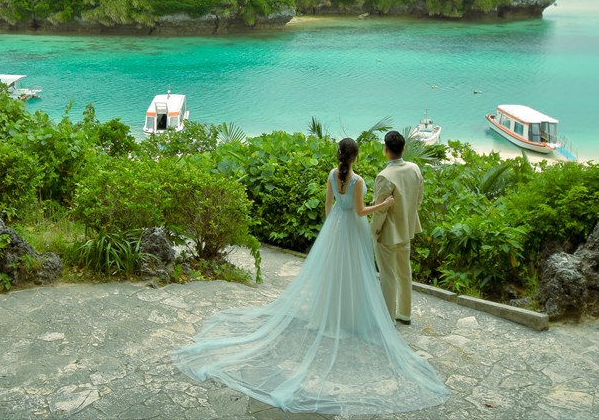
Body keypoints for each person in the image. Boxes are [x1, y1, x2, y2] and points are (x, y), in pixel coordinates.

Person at [171, 137, 450, 416]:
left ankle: (328, 314)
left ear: (341, 155)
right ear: (356, 156)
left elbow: (329, 207)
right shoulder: (361, 180)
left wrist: (333, 228)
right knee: (357, 275)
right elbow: (362, 211)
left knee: (333, 274)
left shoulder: (332, 175)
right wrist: (385, 204)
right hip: (355, 231)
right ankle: (371, 315)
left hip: (336, 229)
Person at [371, 130, 423, 325]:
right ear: (404, 149)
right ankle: (405, 312)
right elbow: (419, 199)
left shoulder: (384, 176)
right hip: (406, 228)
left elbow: (380, 209)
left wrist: (374, 230)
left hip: (388, 232)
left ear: (386, 150)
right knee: (404, 271)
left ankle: (388, 317)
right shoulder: (414, 168)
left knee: (388, 274)